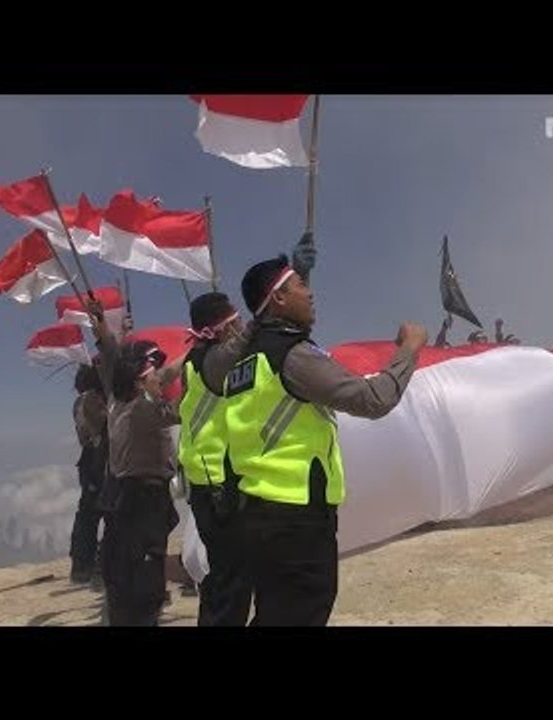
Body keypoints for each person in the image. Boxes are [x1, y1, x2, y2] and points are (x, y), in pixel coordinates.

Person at [223, 255, 428, 625]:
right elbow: (374, 399)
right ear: (280, 299)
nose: (311, 293)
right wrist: (409, 350)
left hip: (255, 511)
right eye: (301, 285)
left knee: (275, 612)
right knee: (299, 613)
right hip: (295, 517)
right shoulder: (294, 356)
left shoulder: (243, 362)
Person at [177, 291, 254, 626]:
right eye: (234, 321)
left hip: (204, 483)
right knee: (233, 582)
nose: (240, 326)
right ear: (220, 329)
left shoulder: (194, 361)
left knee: (222, 579)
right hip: (218, 485)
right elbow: (257, 334)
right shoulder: (212, 363)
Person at [97, 335, 181, 626]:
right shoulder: (144, 410)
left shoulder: (117, 401)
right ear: (139, 383)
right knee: (145, 581)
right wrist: (201, 371)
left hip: (124, 497)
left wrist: (193, 355)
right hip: (143, 502)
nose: (161, 379)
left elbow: (164, 374)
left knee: (125, 575)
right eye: (153, 376)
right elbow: (181, 410)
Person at [69, 363, 108, 584]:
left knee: (87, 513)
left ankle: (82, 562)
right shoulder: (92, 401)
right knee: (102, 511)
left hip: (89, 460)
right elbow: (104, 425)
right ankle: (96, 562)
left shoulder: (79, 402)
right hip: (97, 458)